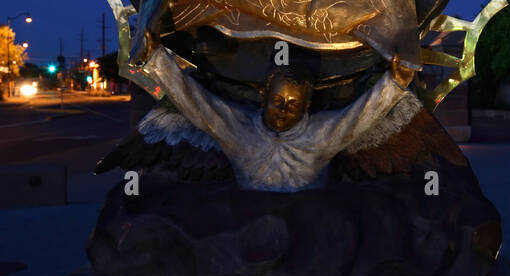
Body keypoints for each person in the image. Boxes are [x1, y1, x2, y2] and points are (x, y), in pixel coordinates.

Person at [140, 43, 419, 193]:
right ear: (263, 97)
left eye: (293, 103)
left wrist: (395, 83)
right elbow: (194, 103)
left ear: (307, 105)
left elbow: (361, 115)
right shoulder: (237, 128)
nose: (283, 110)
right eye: (277, 101)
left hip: (312, 217)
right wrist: (156, 60)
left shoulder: (324, 133)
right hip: (250, 214)